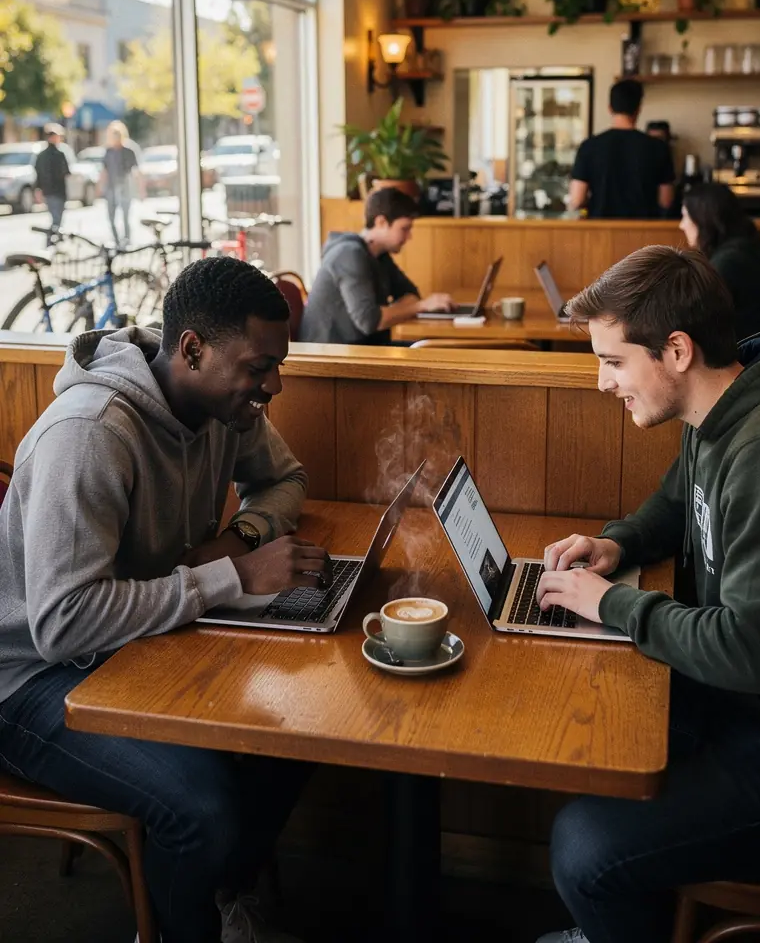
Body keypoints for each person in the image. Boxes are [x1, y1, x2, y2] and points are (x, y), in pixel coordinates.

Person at [0, 256, 332, 943]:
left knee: (305, 724)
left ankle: (227, 893)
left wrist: (240, 537)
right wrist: (232, 580)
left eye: (278, 364)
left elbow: (285, 480)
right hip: (28, 677)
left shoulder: (224, 403)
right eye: (259, 367)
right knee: (201, 808)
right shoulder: (91, 434)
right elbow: (64, 624)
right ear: (191, 350)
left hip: (140, 637)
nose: (274, 384)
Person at [532, 245, 760, 943]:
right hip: (756, 706)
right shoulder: (721, 407)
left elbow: (754, 652)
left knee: (585, 848)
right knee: (590, 734)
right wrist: (616, 545)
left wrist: (610, 604)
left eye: (614, 361)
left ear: (678, 351)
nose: (603, 383)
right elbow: (673, 506)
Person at [300, 186, 454, 344]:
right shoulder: (349, 254)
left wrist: (394, 312)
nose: (409, 236)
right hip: (332, 355)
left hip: (362, 347)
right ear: (381, 222)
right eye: (404, 229)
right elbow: (371, 322)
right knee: (430, 352)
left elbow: (410, 293)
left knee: (434, 349)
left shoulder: (379, 255)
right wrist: (421, 306)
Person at [680, 181, 760, 339]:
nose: (682, 225)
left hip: (739, 351)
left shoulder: (728, 263)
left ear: (702, 219)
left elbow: (695, 321)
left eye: (685, 216)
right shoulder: (746, 246)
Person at [569, 80, 676, 219]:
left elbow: (576, 200)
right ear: (638, 109)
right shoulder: (658, 147)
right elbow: (666, 201)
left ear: (609, 108)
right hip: (644, 231)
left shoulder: (589, 146)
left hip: (601, 231)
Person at [100, 120, 140, 247]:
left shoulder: (128, 151)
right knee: (111, 216)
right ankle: (116, 240)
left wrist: (140, 189)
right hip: (111, 187)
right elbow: (104, 171)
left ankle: (127, 239)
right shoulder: (108, 152)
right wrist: (100, 187)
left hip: (125, 187)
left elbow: (135, 172)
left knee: (126, 216)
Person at [33, 122, 70, 236]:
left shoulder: (41, 155)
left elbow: (38, 174)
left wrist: (38, 190)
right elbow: (65, 172)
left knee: (55, 218)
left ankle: (53, 242)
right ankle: (52, 242)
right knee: (57, 220)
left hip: (48, 191)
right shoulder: (59, 155)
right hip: (58, 191)